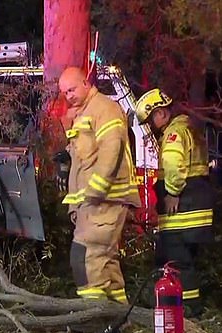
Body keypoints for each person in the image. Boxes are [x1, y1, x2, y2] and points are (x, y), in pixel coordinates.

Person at [56, 66, 141, 304]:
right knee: (107, 263)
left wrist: (95, 191)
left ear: (86, 83)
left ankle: (93, 320)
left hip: (104, 200)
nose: (68, 95)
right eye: (64, 92)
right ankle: (117, 317)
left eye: (71, 89)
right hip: (93, 203)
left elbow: (111, 150)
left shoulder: (104, 109)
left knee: (86, 257)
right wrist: (76, 204)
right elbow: (83, 161)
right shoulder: (84, 114)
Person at [134, 88, 213, 318]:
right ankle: (186, 308)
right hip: (196, 214)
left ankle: (185, 311)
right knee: (185, 262)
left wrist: (172, 192)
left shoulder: (174, 133)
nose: (151, 125)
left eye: (150, 120)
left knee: (177, 263)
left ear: (160, 113)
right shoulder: (189, 127)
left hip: (183, 214)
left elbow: (173, 163)